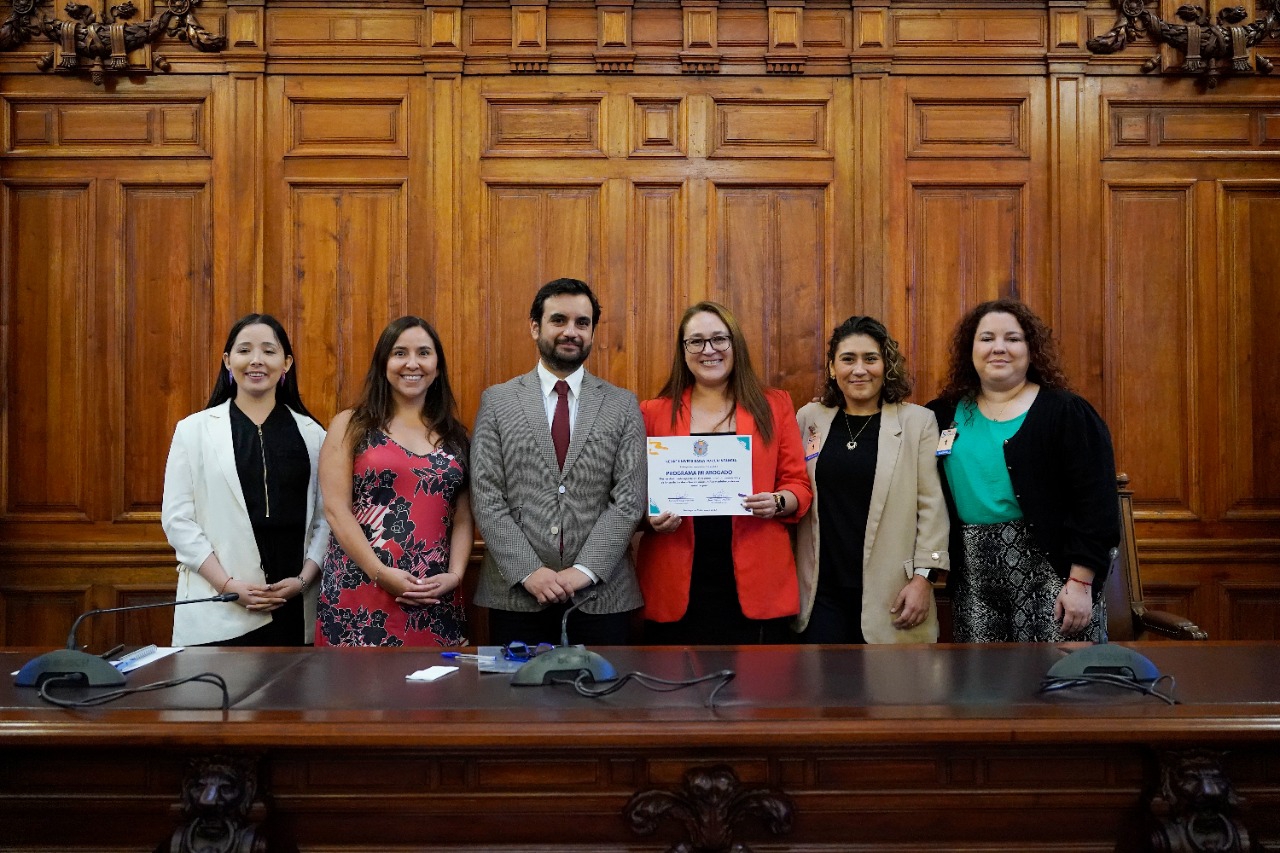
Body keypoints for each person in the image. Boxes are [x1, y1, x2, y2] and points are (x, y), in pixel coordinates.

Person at [926, 298, 1119, 643]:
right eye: (986, 339)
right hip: (973, 576)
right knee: (983, 689)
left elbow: (1096, 504)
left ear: (1031, 349)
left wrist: (1080, 581)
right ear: (969, 350)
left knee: (1057, 686)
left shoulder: (1066, 412)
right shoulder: (940, 414)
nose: (998, 348)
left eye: (1012, 339)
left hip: (1054, 574)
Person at [471, 278, 646, 647]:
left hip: (602, 596)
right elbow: (486, 498)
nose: (571, 331)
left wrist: (582, 572)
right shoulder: (498, 401)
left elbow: (628, 502)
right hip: (516, 596)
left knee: (604, 703)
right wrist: (529, 571)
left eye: (582, 323)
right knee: (517, 703)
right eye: (559, 320)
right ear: (535, 327)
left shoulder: (622, 405)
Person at [636, 301, 812, 645]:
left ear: (735, 345)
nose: (709, 350)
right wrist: (648, 516)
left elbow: (798, 485)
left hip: (757, 581)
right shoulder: (653, 413)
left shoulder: (774, 405)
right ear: (683, 350)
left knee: (760, 692)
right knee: (675, 693)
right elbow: (634, 494)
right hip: (676, 581)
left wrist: (778, 501)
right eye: (696, 341)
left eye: (719, 339)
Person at [162, 314, 329, 646]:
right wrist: (227, 586)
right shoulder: (193, 431)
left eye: (269, 351)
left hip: (293, 603)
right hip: (219, 604)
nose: (256, 360)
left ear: (286, 363)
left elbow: (326, 520)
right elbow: (178, 520)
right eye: (244, 351)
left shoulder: (314, 435)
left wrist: (304, 580)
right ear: (227, 361)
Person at [316, 316, 471, 647]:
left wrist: (455, 576)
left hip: (433, 594)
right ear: (383, 363)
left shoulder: (456, 437)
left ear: (438, 366)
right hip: (361, 591)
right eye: (400, 353)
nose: (412, 363)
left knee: (433, 693)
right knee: (357, 695)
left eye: (424, 353)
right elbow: (335, 509)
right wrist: (380, 573)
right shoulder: (350, 424)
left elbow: (461, 518)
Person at [792, 316, 948, 644]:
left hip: (894, 597)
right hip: (821, 597)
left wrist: (924, 580)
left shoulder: (917, 423)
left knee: (889, 694)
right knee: (823, 694)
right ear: (833, 368)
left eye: (870, 359)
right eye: (848, 359)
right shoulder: (809, 419)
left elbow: (932, 508)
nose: (859, 369)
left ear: (885, 365)